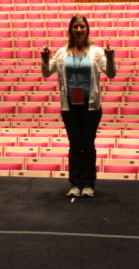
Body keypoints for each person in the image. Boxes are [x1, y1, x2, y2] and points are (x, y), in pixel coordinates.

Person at [41, 14, 116, 198]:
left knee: (88, 145)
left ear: (87, 29)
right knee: (75, 145)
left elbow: (111, 74)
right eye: (75, 27)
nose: (79, 30)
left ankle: (89, 184)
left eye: (82, 26)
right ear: (71, 29)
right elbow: (46, 73)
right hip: (70, 106)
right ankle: (75, 183)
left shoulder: (96, 52)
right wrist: (44, 59)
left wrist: (111, 58)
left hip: (91, 106)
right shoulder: (62, 52)